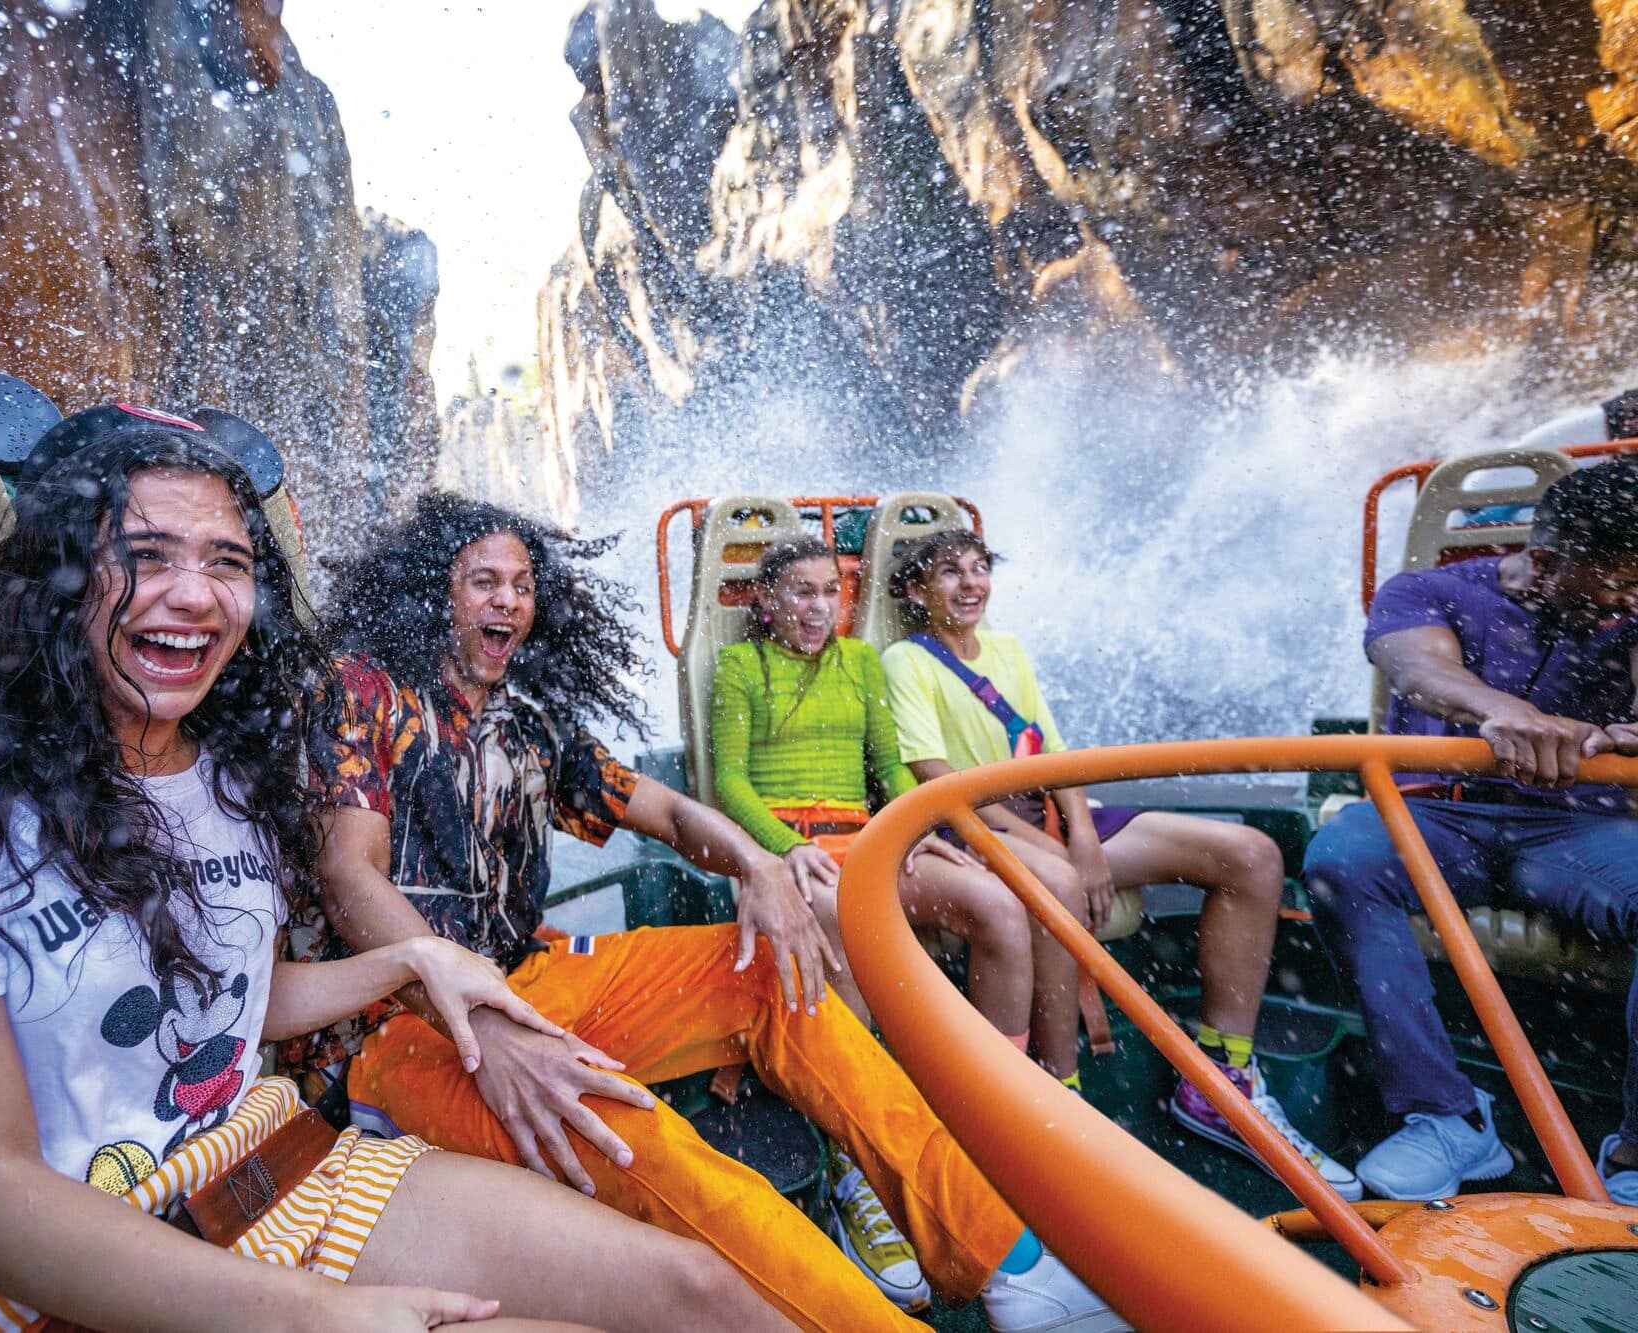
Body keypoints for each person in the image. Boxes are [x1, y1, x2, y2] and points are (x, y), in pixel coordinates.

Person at [0, 416, 782, 1332]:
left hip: (275, 1164)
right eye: (143, 554)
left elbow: (226, 1001)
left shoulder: (219, 781)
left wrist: (413, 964)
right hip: (66, 1278)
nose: (195, 594)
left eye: (225, 560)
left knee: (701, 1292)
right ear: (57, 575)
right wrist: (311, 1313)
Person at [297, 492, 1126, 1333]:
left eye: (521, 584)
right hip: (402, 1031)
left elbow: (666, 812)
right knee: (634, 1133)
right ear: (432, 593)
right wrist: (480, 1015)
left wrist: (757, 864)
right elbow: (349, 876)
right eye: (483, 582)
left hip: (527, 982)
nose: (508, 600)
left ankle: (1005, 1259)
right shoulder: (364, 692)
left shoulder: (530, 717)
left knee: (773, 968)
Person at [881, 529, 1359, 1202]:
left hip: (1046, 816)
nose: (969, 584)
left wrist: (1078, 831)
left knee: (1251, 856)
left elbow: (1055, 753)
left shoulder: (1009, 650)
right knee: (1057, 883)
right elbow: (938, 777)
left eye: (979, 568)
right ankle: (1059, 1093)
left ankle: (1220, 1078)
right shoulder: (906, 660)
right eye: (949, 573)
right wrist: (1058, 852)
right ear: (915, 590)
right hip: (975, 825)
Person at [708, 537, 1039, 1311]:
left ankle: (994, 1113)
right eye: (800, 593)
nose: (818, 608)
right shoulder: (740, 668)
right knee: (853, 926)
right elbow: (727, 782)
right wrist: (788, 849)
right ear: (767, 602)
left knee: (998, 906)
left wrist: (915, 821)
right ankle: (856, 1164)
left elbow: (890, 770)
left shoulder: (861, 666)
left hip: (866, 836)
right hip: (783, 845)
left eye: (830, 591)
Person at [1306, 458, 1638, 1203]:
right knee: (1341, 861)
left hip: (1571, 829)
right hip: (1439, 815)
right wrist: (1499, 710)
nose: (1627, 600)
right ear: (1547, 561)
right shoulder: (1430, 591)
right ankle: (1447, 1117)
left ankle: (1633, 1154)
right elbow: (1419, 669)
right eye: (1617, 582)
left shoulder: (1633, 615)